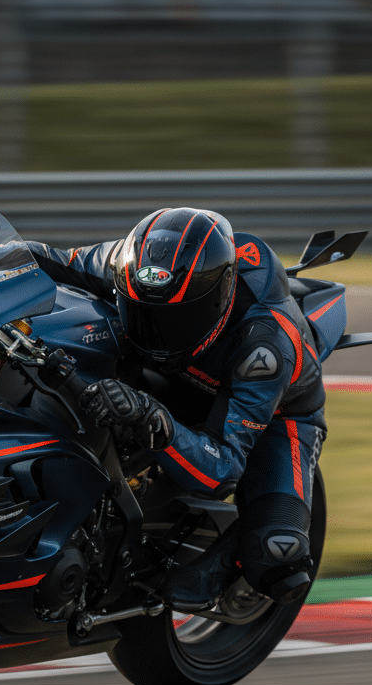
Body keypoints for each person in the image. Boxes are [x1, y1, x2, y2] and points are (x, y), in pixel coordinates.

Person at [26, 207, 325, 610]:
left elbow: (221, 470)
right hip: (164, 375)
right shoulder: (123, 263)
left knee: (278, 554)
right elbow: (42, 258)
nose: (157, 330)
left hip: (278, 414)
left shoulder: (264, 346)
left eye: (178, 318)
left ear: (220, 297)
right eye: (143, 312)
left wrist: (149, 417)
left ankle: (230, 559)